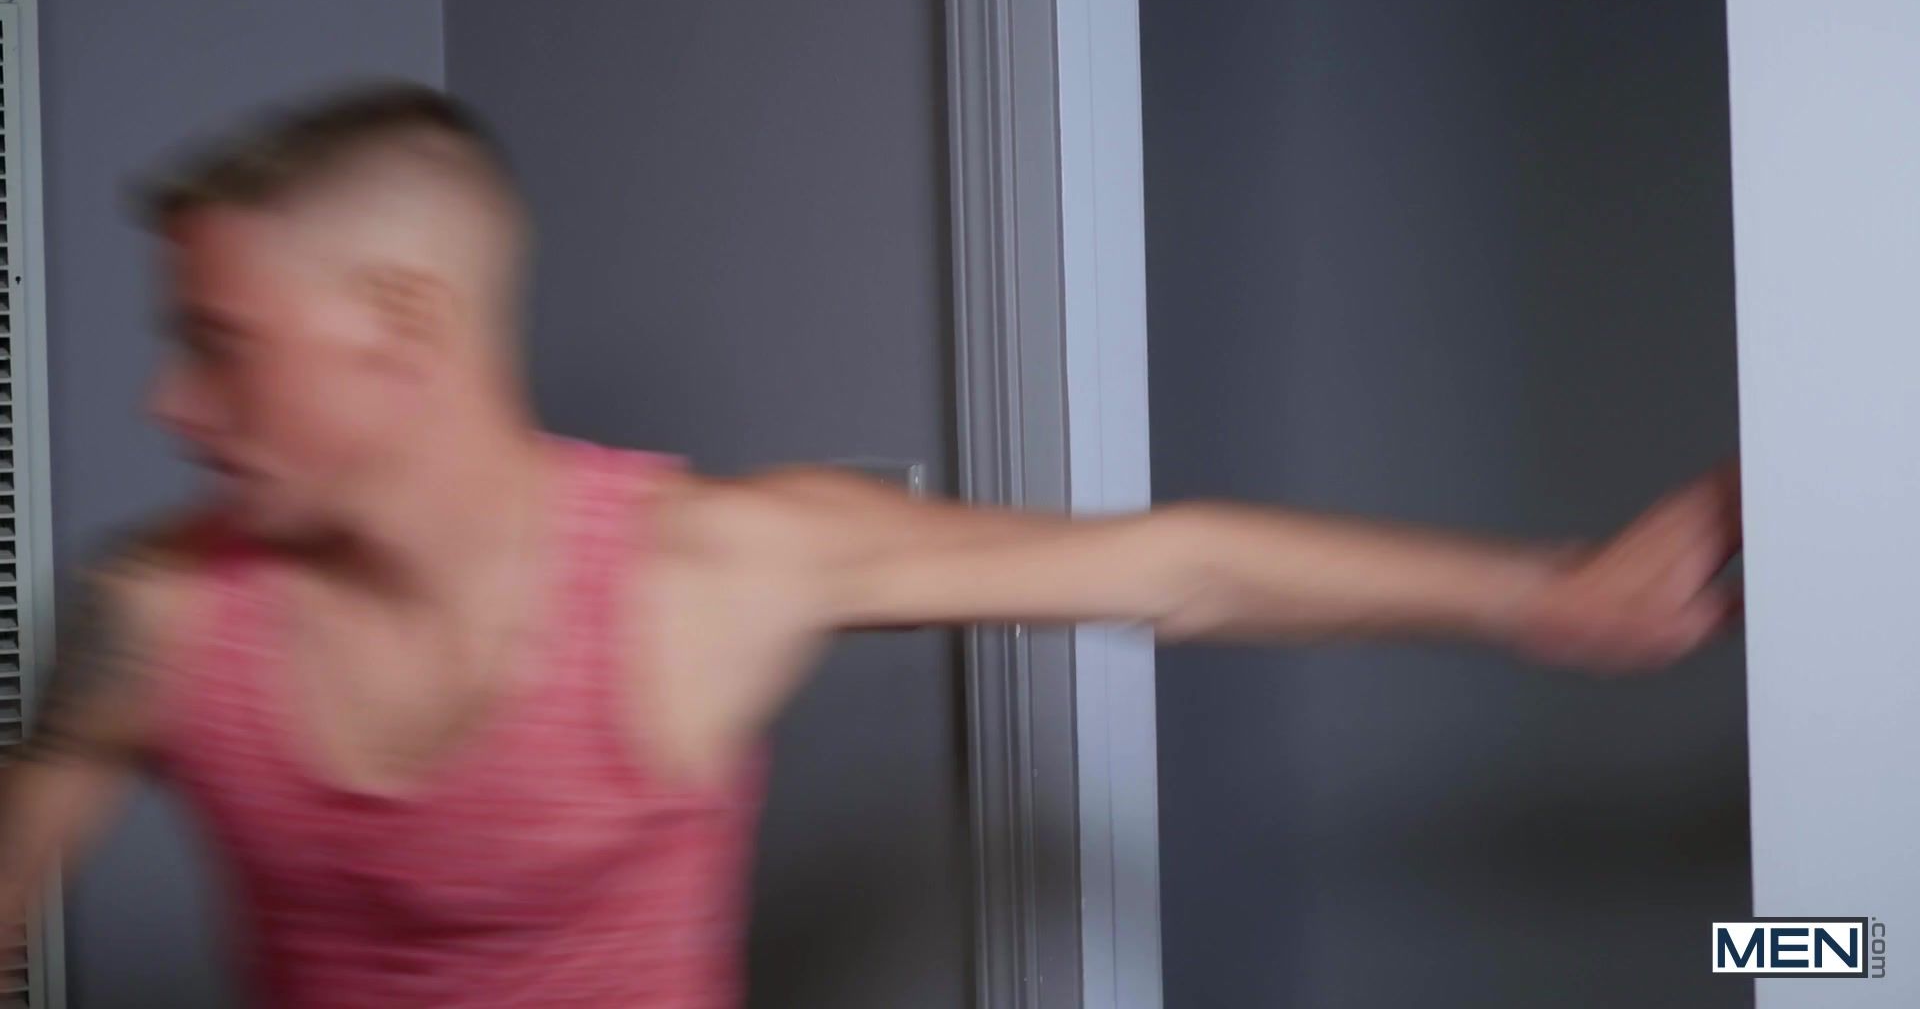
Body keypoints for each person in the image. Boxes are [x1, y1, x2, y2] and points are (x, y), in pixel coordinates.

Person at [0, 83, 1742, 1007]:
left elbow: (1169, 561)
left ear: (401, 324)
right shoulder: (152, 619)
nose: (170, 403)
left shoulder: (699, 573)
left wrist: (1548, 593)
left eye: (220, 343)